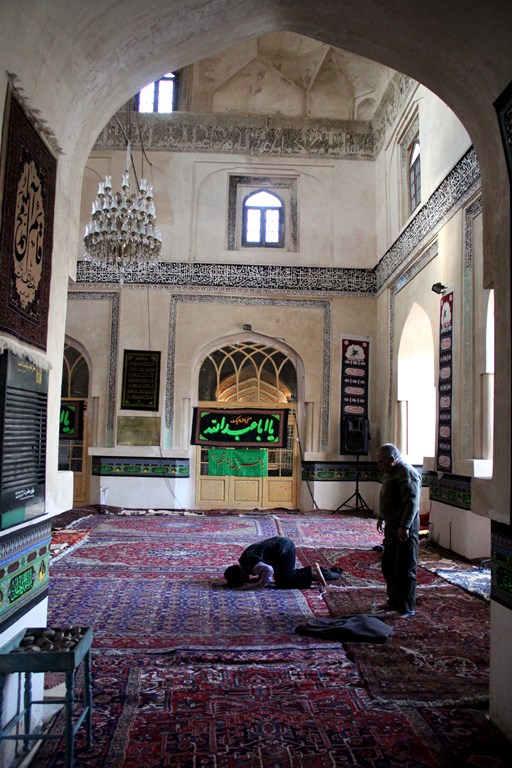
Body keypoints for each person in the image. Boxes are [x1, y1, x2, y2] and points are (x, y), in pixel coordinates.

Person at [376, 443, 422, 617]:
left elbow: (411, 503)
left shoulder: (406, 472)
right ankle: (394, 601)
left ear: (391, 459)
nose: (379, 466)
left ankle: (407, 606)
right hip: (392, 524)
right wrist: (382, 516)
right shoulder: (390, 472)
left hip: (405, 527)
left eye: (381, 462)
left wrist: (405, 526)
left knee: (405, 566)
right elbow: (390, 497)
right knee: (389, 564)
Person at [223, 536, 342, 590]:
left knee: (284, 581)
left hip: (284, 550)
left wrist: (261, 584)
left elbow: (268, 569)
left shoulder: (251, 567)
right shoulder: (243, 559)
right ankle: (320, 572)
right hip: (280, 544)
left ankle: (312, 572)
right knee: (282, 578)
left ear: (240, 576)